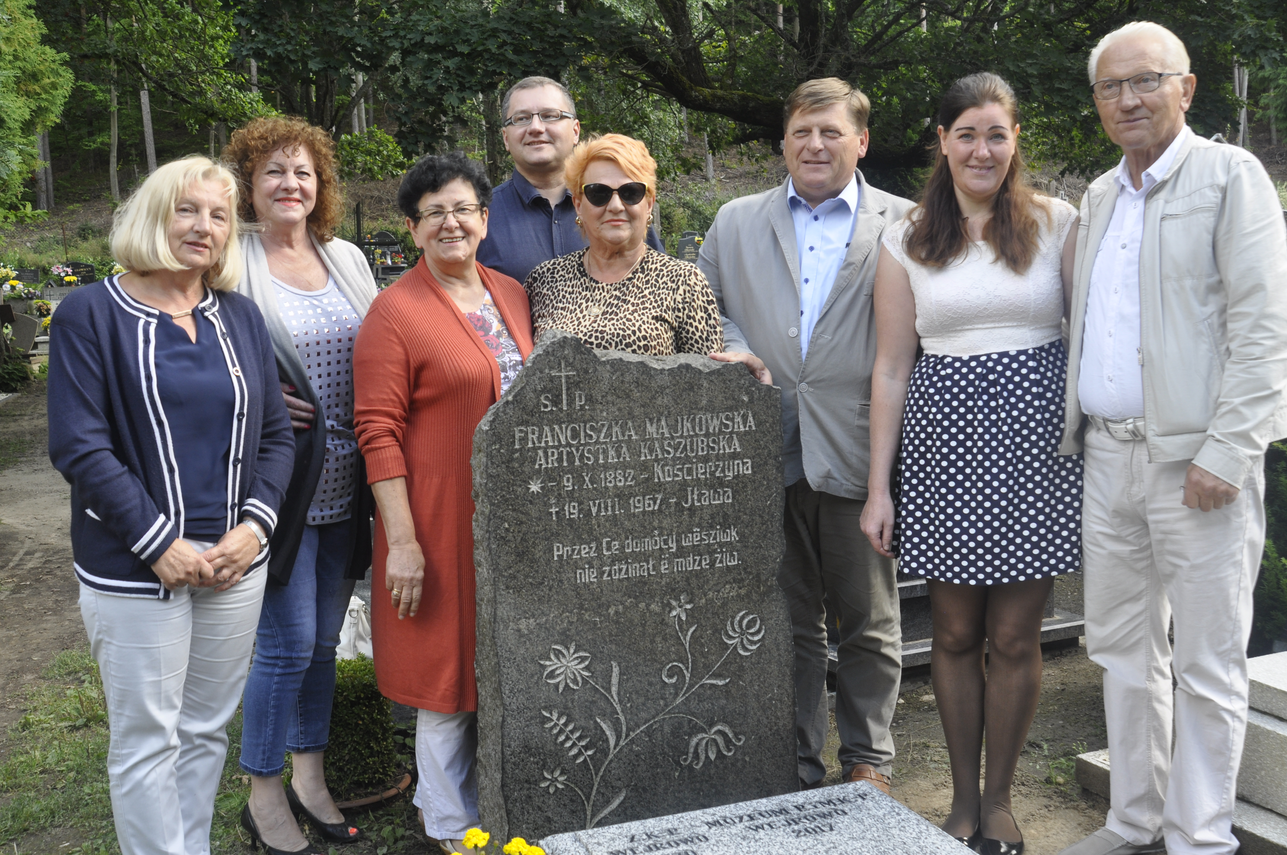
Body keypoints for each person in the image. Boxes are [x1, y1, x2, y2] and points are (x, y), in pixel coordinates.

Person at [1055, 21, 1287, 855]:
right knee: (1120, 649)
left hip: (1196, 463)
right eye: (1111, 87)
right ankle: (1134, 818)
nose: (1127, 99)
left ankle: (1199, 837)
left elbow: (1264, 331)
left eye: (1145, 80)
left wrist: (1228, 450)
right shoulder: (1101, 193)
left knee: (1206, 660)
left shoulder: (1229, 178)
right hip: (1107, 456)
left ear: (1185, 88)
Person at [860, 72, 1082, 853]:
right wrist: (877, 487)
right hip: (943, 448)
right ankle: (958, 800)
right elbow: (890, 367)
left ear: (1014, 139)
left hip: (1034, 448)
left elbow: (1087, 335)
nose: (980, 148)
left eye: (995, 133)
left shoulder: (1058, 222)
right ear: (942, 141)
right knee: (953, 633)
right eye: (966, 133)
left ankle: (999, 801)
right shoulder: (908, 235)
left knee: (1017, 636)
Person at [46, 156, 294, 855]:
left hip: (232, 563)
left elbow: (276, 433)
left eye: (219, 215)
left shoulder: (238, 316)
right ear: (155, 214)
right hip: (135, 568)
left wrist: (255, 528)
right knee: (147, 741)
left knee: (205, 730)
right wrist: (158, 542)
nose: (203, 227)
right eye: (188, 209)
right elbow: (80, 446)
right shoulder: (89, 313)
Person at [696, 78, 914, 794]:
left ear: (861, 141)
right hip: (766, 447)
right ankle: (791, 759)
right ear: (782, 143)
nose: (813, 145)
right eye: (800, 133)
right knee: (784, 621)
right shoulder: (733, 221)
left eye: (829, 131)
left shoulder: (906, 223)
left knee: (869, 619)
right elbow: (708, 310)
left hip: (859, 446)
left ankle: (867, 759)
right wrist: (733, 348)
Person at [353, 152, 534, 855]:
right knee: (444, 677)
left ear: (485, 218)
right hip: (435, 520)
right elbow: (377, 431)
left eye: (463, 208)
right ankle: (449, 828)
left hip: (510, 522)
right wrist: (402, 541)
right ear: (412, 228)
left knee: (504, 663)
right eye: (434, 213)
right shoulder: (394, 312)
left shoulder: (510, 294)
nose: (451, 222)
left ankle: (498, 805)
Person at [225, 116, 378, 855]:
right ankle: (261, 792)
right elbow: (191, 350)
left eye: (303, 173)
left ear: (322, 187)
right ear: (249, 185)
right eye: (274, 172)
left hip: (349, 482)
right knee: (283, 645)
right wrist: (249, 397)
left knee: (321, 643)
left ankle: (312, 778)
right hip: (276, 486)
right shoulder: (229, 257)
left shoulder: (344, 256)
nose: (290, 184)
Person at [525, 133, 723, 356]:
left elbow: (709, 381)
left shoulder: (684, 282)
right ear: (578, 205)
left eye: (631, 192)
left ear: (649, 204)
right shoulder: (544, 281)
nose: (616, 206)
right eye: (599, 193)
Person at [475, 76, 662, 284]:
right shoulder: (478, 216)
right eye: (521, 119)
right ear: (506, 138)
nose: (536, 127)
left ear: (575, 131)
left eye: (550, 116)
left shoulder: (621, 207)